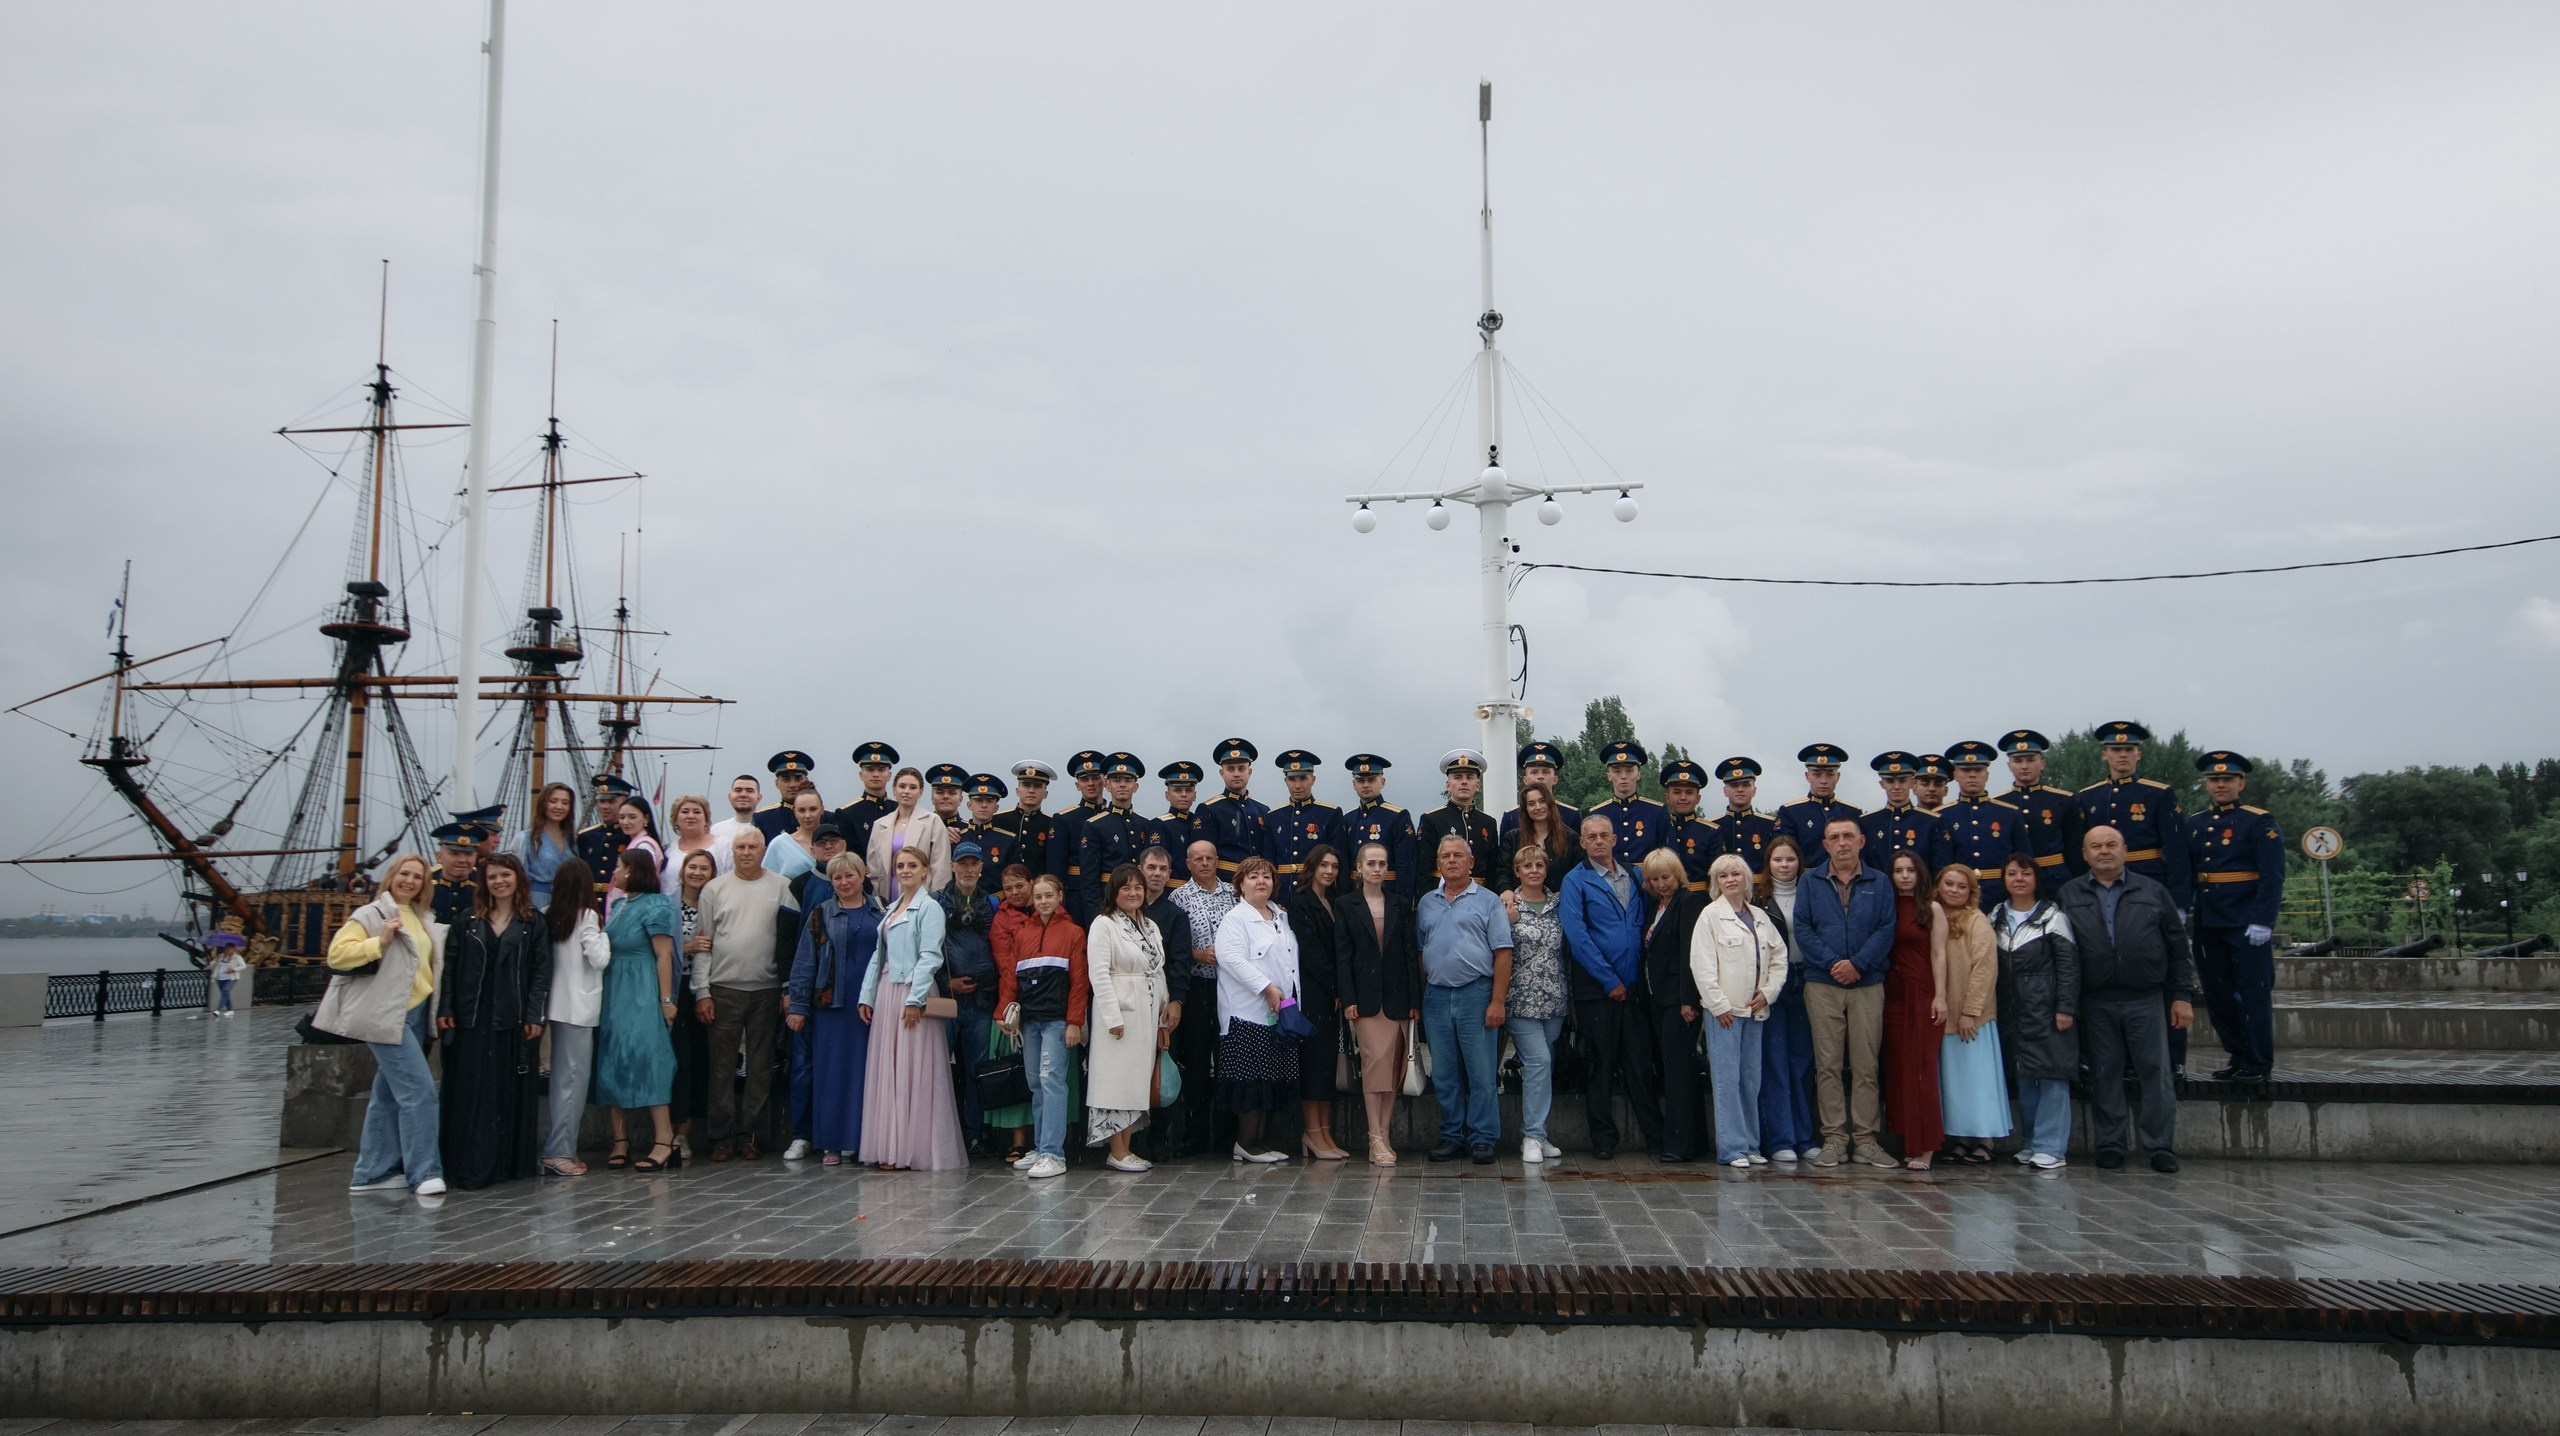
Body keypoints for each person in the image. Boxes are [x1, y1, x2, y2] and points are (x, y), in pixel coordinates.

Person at [2056, 825, 2199, 1172]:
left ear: (2125, 850)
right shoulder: (2068, 894)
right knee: (2105, 1074)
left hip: (2146, 998)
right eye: (2095, 846)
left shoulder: (2152, 890)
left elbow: (2178, 948)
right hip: (2095, 1000)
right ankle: (2110, 1142)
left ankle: (2159, 1145)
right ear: (2085, 854)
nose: (2104, 851)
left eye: (2111, 845)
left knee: (2156, 1074)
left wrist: (2182, 995)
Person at [320, 852, 447, 1197]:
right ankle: (423, 1171)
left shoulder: (421, 916)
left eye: (418, 877)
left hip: (417, 1012)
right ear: (391, 876)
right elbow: (337, 954)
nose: (410, 881)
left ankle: (371, 1173)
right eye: (404, 874)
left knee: (388, 1095)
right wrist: (380, 942)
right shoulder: (372, 913)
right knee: (419, 1091)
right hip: (387, 1013)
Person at [431, 853, 549, 1189]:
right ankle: (465, 1162)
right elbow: (451, 969)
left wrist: (533, 1015)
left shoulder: (532, 922)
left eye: (505, 876)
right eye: (492, 877)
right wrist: (446, 1009)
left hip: (511, 1017)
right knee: (469, 1090)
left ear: (517, 879)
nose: (499, 882)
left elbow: (540, 972)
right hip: (471, 1015)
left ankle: (504, 1163)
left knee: (504, 1090)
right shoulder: (467, 920)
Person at [1559, 812, 1663, 1161]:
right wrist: (1609, 980)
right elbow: (1577, 935)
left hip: (1634, 988)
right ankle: (1603, 1138)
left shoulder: (1635, 875)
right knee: (1599, 1065)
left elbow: (1649, 923)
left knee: (1639, 1063)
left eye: (1605, 835)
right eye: (1592, 837)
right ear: (1583, 843)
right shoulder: (1576, 880)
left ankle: (1655, 1137)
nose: (1599, 841)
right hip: (1598, 990)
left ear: (1615, 839)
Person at [1795, 816, 1896, 1170]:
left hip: (1867, 984)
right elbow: (1803, 930)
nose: (1842, 843)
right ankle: (1835, 1138)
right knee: (1828, 1065)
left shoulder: (1879, 882)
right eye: (1834, 837)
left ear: (1862, 841)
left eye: (1848, 836)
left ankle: (1866, 1140)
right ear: (1824, 845)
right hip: (1822, 983)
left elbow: (1886, 929)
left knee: (1867, 1065)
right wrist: (1835, 962)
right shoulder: (1810, 881)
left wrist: (1859, 964)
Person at [857, 847, 967, 1171]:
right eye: (900, 866)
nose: (904, 870)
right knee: (888, 1070)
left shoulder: (929, 908)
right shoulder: (891, 909)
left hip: (911, 992)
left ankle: (913, 1148)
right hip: (887, 990)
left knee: (911, 1069)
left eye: (911, 865)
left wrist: (915, 999)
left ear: (924, 871)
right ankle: (890, 1147)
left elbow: (930, 956)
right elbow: (879, 956)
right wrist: (866, 995)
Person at [692, 827, 796, 1162]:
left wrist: (786, 988)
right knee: (721, 1068)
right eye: (740, 847)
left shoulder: (782, 887)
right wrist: (702, 992)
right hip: (724, 990)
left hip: (765, 989)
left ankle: (753, 1134)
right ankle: (720, 1135)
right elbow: (703, 945)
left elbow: (787, 941)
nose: (746, 852)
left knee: (761, 1066)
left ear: (763, 850)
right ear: (732, 851)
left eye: (752, 847)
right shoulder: (714, 889)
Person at [2186, 751, 2287, 1083]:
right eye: (2213, 780)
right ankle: (2237, 1054)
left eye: (2227, 779)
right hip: (2209, 920)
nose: (2220, 785)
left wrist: (2264, 920)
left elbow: (2272, 876)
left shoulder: (2259, 822)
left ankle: (2258, 1062)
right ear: (2206, 785)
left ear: (2241, 783)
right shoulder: (2197, 823)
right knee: (2218, 994)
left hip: (2246, 921)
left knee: (2253, 993)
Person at [1415, 834, 1515, 1164]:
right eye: (1446, 856)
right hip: (1438, 996)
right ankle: (1452, 1134)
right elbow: (1421, 951)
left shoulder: (1487, 901)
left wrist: (1497, 1001)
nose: (1452, 860)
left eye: (1459, 855)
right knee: (1443, 1073)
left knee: (1481, 1072)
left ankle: (1483, 1137)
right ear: (1438, 863)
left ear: (1471, 862)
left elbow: (1503, 953)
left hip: (1477, 993)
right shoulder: (1427, 902)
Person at [1693, 853, 1790, 1168]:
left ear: (1747, 879)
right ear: (1716, 883)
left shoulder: (1760, 917)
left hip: (1756, 1011)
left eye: (1736, 873)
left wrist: (1769, 992)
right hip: (1725, 1014)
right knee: (1727, 1079)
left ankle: (1750, 1144)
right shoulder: (1710, 916)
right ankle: (1732, 1148)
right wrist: (1719, 1005)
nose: (1730, 879)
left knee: (1751, 1079)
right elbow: (1702, 965)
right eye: (1723, 875)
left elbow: (1779, 959)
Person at [786, 852, 882, 1166]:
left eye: (848, 875)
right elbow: (804, 963)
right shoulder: (821, 913)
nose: (843, 882)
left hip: (870, 1007)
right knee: (831, 1076)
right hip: (831, 1007)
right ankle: (831, 1143)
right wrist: (798, 1005)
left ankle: (859, 1141)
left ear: (861, 875)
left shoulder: (879, 909)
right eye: (836, 877)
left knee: (864, 1075)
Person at [1333, 841, 1422, 1165]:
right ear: (1359, 868)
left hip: (1398, 1000)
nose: (1377, 869)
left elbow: (1409, 956)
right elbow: (1343, 956)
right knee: (1375, 1067)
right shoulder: (1346, 905)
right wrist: (1349, 999)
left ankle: (1385, 1133)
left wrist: (1415, 1000)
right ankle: (1373, 1136)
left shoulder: (1399, 904)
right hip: (1367, 1001)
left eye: (1382, 863)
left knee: (1394, 1071)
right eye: (1371, 863)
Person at [595, 846, 682, 1172]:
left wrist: (665, 999)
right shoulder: (617, 905)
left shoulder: (657, 905)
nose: (613, 872)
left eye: (618, 866)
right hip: (614, 990)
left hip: (642, 987)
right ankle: (620, 1139)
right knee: (612, 1060)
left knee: (649, 1059)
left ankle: (664, 1139)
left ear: (632, 869)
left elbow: (664, 955)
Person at [997, 872, 1089, 1178]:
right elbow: (1011, 975)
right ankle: (1040, 1147)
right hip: (1031, 1021)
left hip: (1057, 1021)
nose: (1043, 901)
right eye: (1038, 897)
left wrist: (1074, 1021)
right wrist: (1003, 1012)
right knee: (1036, 1083)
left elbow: (1079, 983)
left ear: (1060, 895)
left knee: (1052, 1081)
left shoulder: (1074, 933)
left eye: (1049, 895)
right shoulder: (1023, 933)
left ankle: (1054, 1153)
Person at [1992, 852, 2079, 1170]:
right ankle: (2031, 1142)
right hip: (2012, 1011)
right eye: (2012, 873)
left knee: (2052, 1076)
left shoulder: (2053, 917)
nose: (2018, 879)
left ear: (2036, 879)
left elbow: (2069, 967)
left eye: (2025, 874)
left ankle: (2052, 1146)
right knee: (2025, 1076)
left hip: (2047, 1009)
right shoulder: (1996, 916)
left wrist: (2065, 1007)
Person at [1085, 863, 1171, 1172]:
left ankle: (1128, 1147)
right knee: (1114, 1079)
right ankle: (1116, 1150)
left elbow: (1157, 970)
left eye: (1138, 888)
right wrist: (1112, 1017)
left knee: (1136, 1079)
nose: (1133, 893)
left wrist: (1163, 1016)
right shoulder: (1103, 924)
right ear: (1114, 893)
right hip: (1120, 1010)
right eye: (1126, 888)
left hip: (1147, 1012)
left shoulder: (1150, 925)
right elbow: (1099, 973)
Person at [1213, 856, 1299, 1162]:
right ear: (1240, 884)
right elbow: (1231, 959)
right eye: (1253, 877)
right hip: (1246, 1013)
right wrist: (1267, 988)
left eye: (1266, 877)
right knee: (1250, 1082)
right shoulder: (1235, 919)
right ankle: (1245, 1143)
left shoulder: (1279, 917)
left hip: (1279, 1014)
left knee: (1269, 1080)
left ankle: (1259, 1141)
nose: (1261, 881)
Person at [1932, 863, 2011, 1164]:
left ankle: (1985, 1139)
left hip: (1970, 1016)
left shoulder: (1977, 921)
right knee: (1955, 1081)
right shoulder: (1935, 916)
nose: (1953, 890)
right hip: (1944, 1013)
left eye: (1961, 886)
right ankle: (1961, 1138)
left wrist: (1970, 1011)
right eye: (1948, 884)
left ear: (1971, 891)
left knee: (1978, 1079)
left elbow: (1985, 969)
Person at [1165, 838, 1238, 1154]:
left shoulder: (1235, 895)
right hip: (1196, 988)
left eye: (1210, 857)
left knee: (1228, 1060)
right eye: (1199, 859)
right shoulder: (1178, 898)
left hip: (1231, 990)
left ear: (1217, 859)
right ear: (1188, 863)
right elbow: (1173, 946)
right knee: (1196, 1060)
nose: (1205, 863)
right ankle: (1194, 1136)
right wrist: (1197, 954)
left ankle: (1226, 1136)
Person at [538, 857, 610, 1177]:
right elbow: (600, 959)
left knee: (559, 1082)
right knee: (573, 1083)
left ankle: (559, 1147)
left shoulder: (548, 915)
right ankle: (559, 1152)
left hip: (554, 1006)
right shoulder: (588, 916)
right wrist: (607, 936)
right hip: (580, 1009)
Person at [1499, 844, 1570, 1163]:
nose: (1533, 871)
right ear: (1517, 872)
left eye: (1539, 866)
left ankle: (1540, 1134)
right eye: (1527, 867)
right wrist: (1508, 921)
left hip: (1554, 998)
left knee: (1544, 1065)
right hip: (1521, 998)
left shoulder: (1558, 904)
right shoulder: (1507, 906)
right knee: (1538, 1061)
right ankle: (1532, 1136)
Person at [1638, 847, 1710, 1163]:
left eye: (1665, 877)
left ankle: (1681, 1145)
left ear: (1677, 874)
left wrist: (1687, 999)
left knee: (1680, 1071)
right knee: (1672, 1069)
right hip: (1658, 998)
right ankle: (1689, 1140)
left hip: (1679, 1001)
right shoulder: (1657, 906)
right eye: (1654, 879)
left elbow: (1689, 954)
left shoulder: (1690, 902)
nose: (1661, 884)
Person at [2076, 721, 2193, 909]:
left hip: (2148, 879)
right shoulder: (2088, 796)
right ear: (2105, 754)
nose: (2123, 754)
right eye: (2115, 749)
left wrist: (2178, 901)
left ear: (2139, 754)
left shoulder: (2158, 794)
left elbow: (2176, 850)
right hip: (2102, 881)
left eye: (2129, 749)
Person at [1880, 851, 1947, 1170]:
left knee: (1922, 1070)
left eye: (1910, 870)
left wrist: (1941, 996)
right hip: (1891, 993)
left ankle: (1927, 1146)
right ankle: (1907, 1139)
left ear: (1920, 874)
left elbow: (1939, 955)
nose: (1904, 876)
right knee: (1898, 1069)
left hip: (1922, 994)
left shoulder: (1932, 908)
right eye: (1898, 871)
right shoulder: (1887, 908)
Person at [1755, 835, 1819, 1162]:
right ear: (1768, 864)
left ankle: (1806, 1137)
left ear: (1799, 862)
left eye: (1790, 860)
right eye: (1777, 860)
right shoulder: (1758, 899)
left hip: (1807, 978)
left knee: (1804, 1061)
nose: (1783, 865)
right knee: (1775, 1061)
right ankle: (1780, 1139)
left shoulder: (1814, 892)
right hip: (1773, 983)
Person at [937, 842, 1003, 1155]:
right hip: (947, 1001)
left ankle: (975, 1132)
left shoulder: (991, 903)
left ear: (981, 867)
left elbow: (1000, 948)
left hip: (980, 1001)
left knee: (978, 1070)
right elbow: (928, 950)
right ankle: (941, 1132)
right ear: (952, 866)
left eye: (973, 864)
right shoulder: (937, 902)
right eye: (962, 863)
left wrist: (990, 985)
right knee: (939, 1069)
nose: (967, 870)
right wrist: (945, 982)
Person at [1285, 843, 1349, 1160]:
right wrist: (1335, 987)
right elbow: (1311, 953)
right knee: (1314, 1062)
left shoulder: (1335, 902)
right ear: (1311, 867)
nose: (1329, 871)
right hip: (1313, 991)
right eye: (1323, 865)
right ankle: (1311, 1132)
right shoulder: (1301, 903)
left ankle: (1325, 1131)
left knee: (1327, 1063)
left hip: (1333, 993)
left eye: (1334, 866)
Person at [1927, 740, 2040, 909]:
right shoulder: (1942, 816)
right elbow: (1940, 864)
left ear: (1987, 775)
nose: (1972, 775)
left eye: (1978, 770)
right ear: (1955, 775)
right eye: (1965, 770)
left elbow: (2024, 859)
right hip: (1957, 898)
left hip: (2001, 896)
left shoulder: (2009, 813)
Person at [1138, 845, 1194, 1156]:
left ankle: (1158, 1138)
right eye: (1151, 868)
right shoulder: (1126, 908)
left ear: (1170, 874)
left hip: (1163, 1002)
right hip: (1132, 1002)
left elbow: (1181, 962)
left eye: (1163, 869)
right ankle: (1131, 1137)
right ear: (1140, 869)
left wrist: (1177, 1001)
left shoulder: (1175, 915)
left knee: (1163, 1070)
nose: (1157, 874)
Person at [982, 864, 1041, 1158]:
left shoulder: (1049, 909)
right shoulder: (1002, 919)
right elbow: (1006, 964)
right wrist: (1006, 1008)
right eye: (1009, 888)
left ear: (1031, 883)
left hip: (1048, 1002)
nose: (1015, 893)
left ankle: (1048, 1138)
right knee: (1016, 1072)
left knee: (1046, 1075)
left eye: (1020, 885)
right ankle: (1018, 1141)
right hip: (1014, 1001)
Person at [667, 849, 718, 1160]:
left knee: (699, 1060)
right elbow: (656, 945)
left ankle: (688, 1133)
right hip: (673, 989)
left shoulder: (713, 904)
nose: (697, 873)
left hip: (705, 989)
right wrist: (686, 946)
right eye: (693, 867)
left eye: (704, 868)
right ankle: (672, 1131)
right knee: (677, 1059)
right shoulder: (666, 904)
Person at [1999, 730, 2083, 898]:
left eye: (2031, 760)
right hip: (2015, 881)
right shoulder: (2000, 804)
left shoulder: (2063, 800)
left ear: (2042, 763)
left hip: (2055, 879)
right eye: (2017, 761)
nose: (2024, 766)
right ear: (2009, 766)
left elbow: (2074, 848)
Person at [1075, 753, 1152, 921]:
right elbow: (1089, 879)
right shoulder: (1094, 825)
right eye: (1116, 780)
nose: (1122, 785)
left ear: (1136, 787)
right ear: (1107, 785)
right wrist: (1096, 916)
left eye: (1128, 780)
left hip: (1137, 902)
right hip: (1107, 902)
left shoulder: (1144, 824)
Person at [1264, 750, 1346, 902]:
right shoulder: (1273, 817)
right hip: (1282, 896)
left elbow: (1339, 861)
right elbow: (1269, 862)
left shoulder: (1330, 814)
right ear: (1285, 781)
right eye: (1292, 779)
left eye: (1303, 779)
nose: (1297, 785)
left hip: (1317, 895)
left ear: (1313, 779)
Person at [1416, 749, 1503, 890]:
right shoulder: (1432, 819)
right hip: (1441, 894)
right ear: (1448, 785)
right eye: (1457, 777)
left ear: (1478, 785)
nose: (1464, 782)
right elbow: (1423, 869)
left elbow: (1492, 869)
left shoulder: (1488, 823)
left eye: (1469, 777)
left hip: (1480, 896)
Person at [865, 767, 952, 902]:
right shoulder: (880, 824)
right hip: (886, 896)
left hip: (922, 897)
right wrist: (878, 898)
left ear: (920, 792)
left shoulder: (932, 822)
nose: (906, 791)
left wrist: (935, 900)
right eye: (902, 786)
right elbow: (874, 869)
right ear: (894, 789)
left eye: (912, 787)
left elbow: (941, 870)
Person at [1340, 753, 1418, 896]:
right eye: (1360, 780)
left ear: (1382, 782)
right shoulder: (1348, 819)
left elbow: (1406, 865)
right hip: (1353, 895)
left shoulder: (1397, 816)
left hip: (1387, 893)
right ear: (1354, 785)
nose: (1366, 785)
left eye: (1371, 780)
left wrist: (1402, 902)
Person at [1588, 740, 1668, 870]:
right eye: (1617, 771)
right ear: (1609, 776)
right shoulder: (1597, 814)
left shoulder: (1656, 811)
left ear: (1638, 775)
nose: (1623, 776)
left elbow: (1665, 853)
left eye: (1629, 771)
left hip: (1647, 880)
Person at [1200, 738, 1271, 884]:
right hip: (1225, 883)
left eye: (1241, 768)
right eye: (1230, 769)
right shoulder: (1210, 809)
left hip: (1258, 883)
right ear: (1222, 773)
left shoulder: (1263, 810)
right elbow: (1202, 856)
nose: (1236, 774)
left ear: (1249, 772)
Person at [1502, 741, 1581, 869]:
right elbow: (1505, 862)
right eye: (1534, 772)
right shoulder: (1511, 817)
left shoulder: (1571, 815)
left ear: (1555, 779)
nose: (1540, 777)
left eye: (1545, 772)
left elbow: (1577, 859)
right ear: (1525, 780)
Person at [1776, 744, 1860, 861]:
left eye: (1830, 774)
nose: (1823, 781)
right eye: (1817, 775)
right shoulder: (1791, 812)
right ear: (1807, 776)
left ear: (1838, 777)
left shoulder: (1852, 813)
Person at [1860, 752, 1940, 875]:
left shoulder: (1931, 822)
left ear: (1912, 783)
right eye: (1890, 781)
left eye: (1902, 780)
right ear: (1882, 784)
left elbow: (1938, 868)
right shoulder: (1867, 822)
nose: (1897, 787)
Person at [1047, 752, 1109, 897]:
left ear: (1105, 781)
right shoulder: (1063, 819)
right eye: (1084, 779)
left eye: (1095, 777)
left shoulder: (1114, 816)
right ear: (1077, 785)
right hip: (1076, 892)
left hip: (1110, 889)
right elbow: (1055, 867)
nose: (1090, 783)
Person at [514, 781, 580, 906]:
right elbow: (518, 878)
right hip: (536, 902)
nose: (559, 807)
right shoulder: (525, 839)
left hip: (566, 903)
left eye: (565, 803)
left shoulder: (573, 841)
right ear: (543, 804)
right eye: (553, 801)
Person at [1659, 759, 1719, 890]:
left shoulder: (1711, 831)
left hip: (1699, 900)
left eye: (1689, 792)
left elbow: (1716, 875)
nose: (1683, 797)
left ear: (1698, 798)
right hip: (1664, 898)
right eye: (1677, 792)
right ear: (1667, 797)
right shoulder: (1659, 827)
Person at [1509, 782, 1580, 890]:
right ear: (1525, 809)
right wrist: (1505, 890)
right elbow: (1503, 872)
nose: (1538, 807)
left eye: (1542, 801)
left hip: (1564, 901)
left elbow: (1578, 873)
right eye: (1531, 803)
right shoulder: (1512, 838)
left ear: (1550, 803)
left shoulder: (1570, 838)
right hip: (1521, 902)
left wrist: (1565, 894)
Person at [995, 758, 1057, 881]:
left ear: (1046, 794)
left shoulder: (1052, 823)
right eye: (1026, 785)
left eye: (1038, 786)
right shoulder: (997, 820)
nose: (1031, 790)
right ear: (1018, 791)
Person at [833, 741, 901, 851]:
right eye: (870, 769)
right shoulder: (847, 813)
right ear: (861, 775)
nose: (875, 774)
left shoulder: (899, 809)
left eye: (881, 769)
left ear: (889, 775)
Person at [955, 774, 1022, 881]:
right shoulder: (957, 838)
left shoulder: (1008, 841)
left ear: (996, 808)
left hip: (997, 897)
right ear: (969, 805)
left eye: (989, 801)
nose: (984, 805)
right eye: (979, 800)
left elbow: (1014, 878)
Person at [606, 798, 666, 913]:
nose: (625, 822)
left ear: (646, 818)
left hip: (632, 911)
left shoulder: (644, 846)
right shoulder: (636, 842)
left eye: (632, 817)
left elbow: (641, 883)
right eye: (622, 817)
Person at [1148, 760, 1207, 868]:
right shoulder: (1159, 825)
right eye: (1178, 790)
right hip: (1172, 883)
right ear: (1167, 795)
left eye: (1188, 790)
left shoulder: (1200, 822)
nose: (1183, 794)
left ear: (1194, 796)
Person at [576, 773, 635, 879]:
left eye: (611, 801)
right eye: (601, 801)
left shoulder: (631, 837)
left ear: (625, 803)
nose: (605, 807)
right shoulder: (585, 837)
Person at [765, 791, 829, 883]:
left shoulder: (834, 843)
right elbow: (767, 880)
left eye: (813, 809)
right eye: (802, 810)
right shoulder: (780, 844)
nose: (807, 815)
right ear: (795, 812)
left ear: (822, 810)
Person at [755, 750, 819, 841]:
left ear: (806, 780)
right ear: (777, 783)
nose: (792, 785)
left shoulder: (826, 817)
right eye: (786, 780)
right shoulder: (763, 819)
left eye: (798, 779)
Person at [707, 774, 763, 869]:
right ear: (730, 796)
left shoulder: (767, 827)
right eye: (738, 790)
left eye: (749, 791)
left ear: (759, 797)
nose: (743, 794)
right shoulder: (717, 830)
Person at [429, 824, 480, 926]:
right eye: (454, 853)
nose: (462, 860)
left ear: (475, 857)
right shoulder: (425, 884)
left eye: (468, 854)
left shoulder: (483, 885)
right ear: (439, 857)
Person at [666, 793, 723, 876]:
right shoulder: (668, 852)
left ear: (706, 819)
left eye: (697, 812)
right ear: (675, 819)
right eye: (685, 812)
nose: (691, 816)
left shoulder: (721, 846)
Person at [207, 938, 248, 1016]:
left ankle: (218, 1010)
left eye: (229, 949)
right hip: (220, 978)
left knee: (225, 991)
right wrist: (215, 960)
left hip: (231, 978)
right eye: (226, 949)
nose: (227, 951)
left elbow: (243, 966)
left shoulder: (237, 957)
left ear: (233, 950)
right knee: (225, 994)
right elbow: (211, 965)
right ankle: (230, 1010)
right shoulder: (221, 956)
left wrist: (234, 969)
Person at [925, 763, 970, 832]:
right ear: (932, 798)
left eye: (952, 793)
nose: (945, 796)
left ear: (960, 799)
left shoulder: (969, 830)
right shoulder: (921, 827)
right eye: (940, 792)